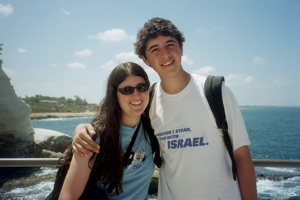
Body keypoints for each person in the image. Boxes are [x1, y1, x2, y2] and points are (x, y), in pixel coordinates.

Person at [72, 18, 257, 200]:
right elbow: (118, 120)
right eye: (155, 49)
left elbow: (242, 157)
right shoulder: (148, 100)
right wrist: (82, 129)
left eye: (170, 45)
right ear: (145, 59)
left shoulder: (215, 91)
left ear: (181, 48)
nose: (166, 54)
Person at [59, 62, 156, 200]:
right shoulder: (93, 137)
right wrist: (80, 129)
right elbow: (67, 197)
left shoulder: (152, 128)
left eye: (142, 87)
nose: (136, 95)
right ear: (114, 94)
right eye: (127, 90)